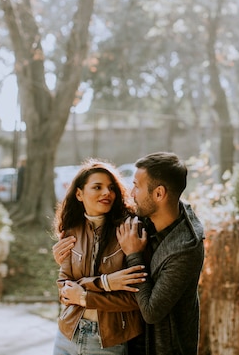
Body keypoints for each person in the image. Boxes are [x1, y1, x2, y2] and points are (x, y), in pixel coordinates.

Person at [52, 159, 148, 355]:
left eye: (111, 188)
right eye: (98, 187)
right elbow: (65, 290)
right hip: (67, 336)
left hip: (108, 342)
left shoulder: (129, 231)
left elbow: (137, 299)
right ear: (79, 194)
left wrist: (86, 297)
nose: (107, 193)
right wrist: (105, 283)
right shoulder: (72, 231)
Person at [116, 152, 205, 355]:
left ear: (159, 194)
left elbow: (151, 311)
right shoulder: (146, 222)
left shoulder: (186, 248)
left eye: (137, 186)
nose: (132, 193)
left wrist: (133, 255)